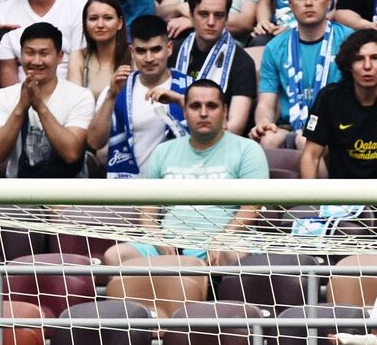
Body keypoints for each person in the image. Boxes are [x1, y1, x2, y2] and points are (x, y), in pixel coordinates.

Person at [103, 79, 268, 265]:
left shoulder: (247, 149)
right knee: (115, 255)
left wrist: (223, 239)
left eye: (211, 106)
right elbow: (148, 211)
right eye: (195, 106)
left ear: (224, 111)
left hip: (225, 242)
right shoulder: (163, 151)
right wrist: (158, 239)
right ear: (184, 111)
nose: (203, 113)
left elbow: (251, 208)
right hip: (168, 245)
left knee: (235, 255)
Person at [251, 0, 353, 151]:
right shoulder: (274, 48)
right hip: (289, 127)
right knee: (267, 139)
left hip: (338, 128)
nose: (308, 3)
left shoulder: (349, 41)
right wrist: (264, 122)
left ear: (329, 2)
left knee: (307, 141)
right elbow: (266, 102)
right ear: (290, 4)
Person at [299, 31, 377, 180]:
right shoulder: (329, 97)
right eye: (359, 59)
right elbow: (311, 155)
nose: (367, 66)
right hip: (341, 198)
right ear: (348, 65)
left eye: (375, 58)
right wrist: (313, 201)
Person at [87, 14, 191, 178]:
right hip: (130, 192)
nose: (149, 58)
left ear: (169, 48)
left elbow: (218, 133)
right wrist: (111, 96)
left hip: (179, 191)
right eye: (141, 51)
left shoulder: (190, 88)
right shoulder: (116, 90)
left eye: (156, 49)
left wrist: (180, 100)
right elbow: (94, 142)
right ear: (131, 52)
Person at [0, 21, 95, 177]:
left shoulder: (80, 96)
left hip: (68, 193)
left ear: (59, 56)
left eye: (44, 53)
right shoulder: (2, 97)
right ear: (21, 54)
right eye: (30, 53)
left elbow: (71, 153)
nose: (36, 61)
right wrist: (20, 108)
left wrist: (40, 107)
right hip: (18, 194)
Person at [171, 0, 257, 135]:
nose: (211, 22)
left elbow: (235, 127)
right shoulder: (172, 52)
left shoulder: (242, 62)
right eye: (204, 14)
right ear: (191, 15)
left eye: (218, 15)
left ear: (226, 17)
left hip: (218, 147)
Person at [66, 0, 128, 99]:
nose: (100, 25)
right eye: (93, 18)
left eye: (108, 18)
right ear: (85, 23)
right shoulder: (79, 57)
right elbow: (75, 103)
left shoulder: (133, 54)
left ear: (120, 23)